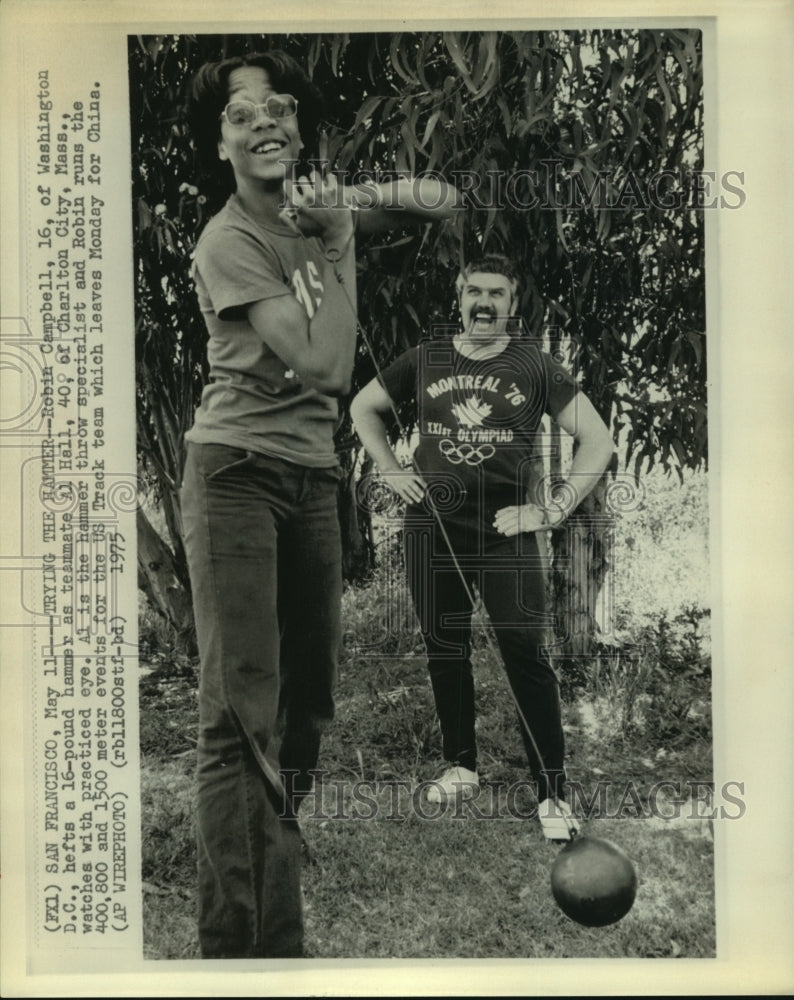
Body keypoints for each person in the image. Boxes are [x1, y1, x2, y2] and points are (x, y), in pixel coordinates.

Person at [180, 50, 459, 958]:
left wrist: (344, 198)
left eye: (281, 108)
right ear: (218, 143)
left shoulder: (314, 211)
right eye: (241, 114)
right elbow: (327, 367)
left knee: (308, 710)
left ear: (298, 129)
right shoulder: (229, 241)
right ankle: (249, 944)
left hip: (309, 482)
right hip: (234, 476)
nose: (265, 122)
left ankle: (271, 867)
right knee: (239, 714)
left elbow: (443, 197)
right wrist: (338, 239)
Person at [350, 253, 615, 841]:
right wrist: (391, 470)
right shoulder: (425, 359)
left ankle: (551, 794)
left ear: (513, 306)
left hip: (506, 529)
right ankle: (461, 765)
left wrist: (552, 509)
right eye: (474, 291)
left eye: (497, 293)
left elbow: (596, 439)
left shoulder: (536, 365)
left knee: (524, 648)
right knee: (445, 643)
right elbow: (362, 408)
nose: (484, 303)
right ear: (460, 297)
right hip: (433, 525)